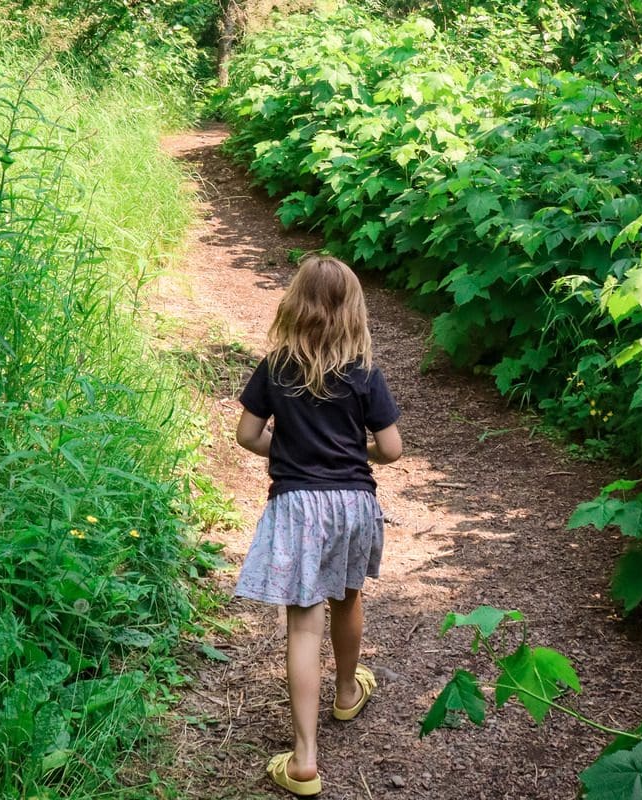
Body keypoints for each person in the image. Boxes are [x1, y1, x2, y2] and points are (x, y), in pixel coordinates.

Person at [233, 255, 403, 796]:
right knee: (347, 600)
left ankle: (305, 759)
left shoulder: (276, 367)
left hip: (297, 505)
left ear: (294, 305)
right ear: (353, 310)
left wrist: (281, 448)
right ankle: (348, 691)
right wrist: (358, 454)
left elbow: (246, 434)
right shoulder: (364, 372)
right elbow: (393, 450)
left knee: (302, 624)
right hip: (353, 504)